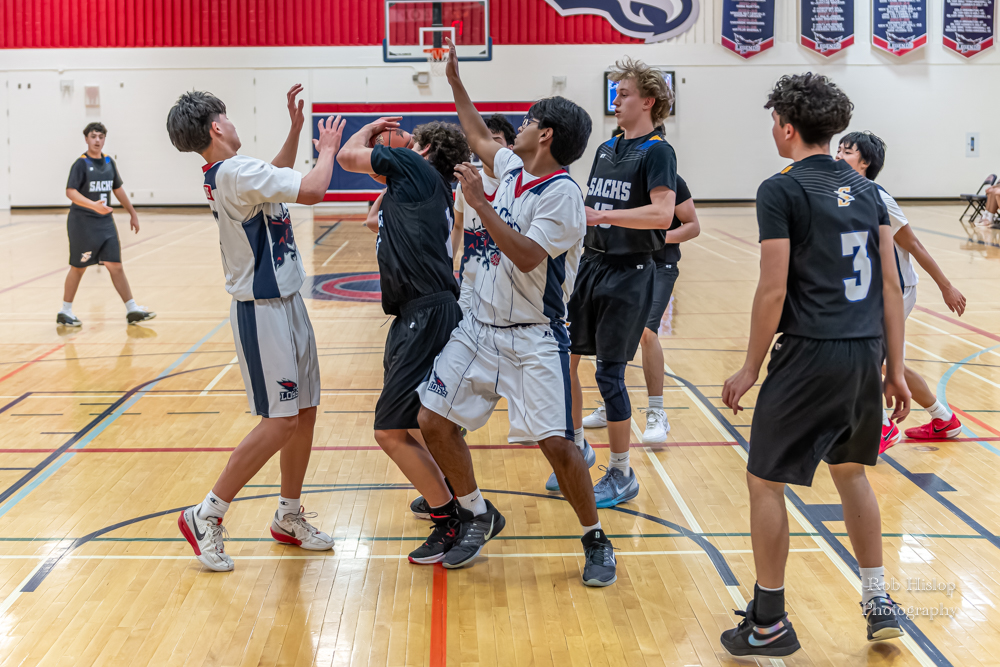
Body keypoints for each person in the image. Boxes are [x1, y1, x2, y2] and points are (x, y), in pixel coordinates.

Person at [415, 39, 617, 586]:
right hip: (479, 328)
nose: (516, 128)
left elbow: (527, 255)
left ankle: (595, 538)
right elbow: (479, 134)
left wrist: (481, 205)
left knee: (558, 446)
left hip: (534, 337)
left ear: (545, 135)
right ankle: (477, 513)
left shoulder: (563, 195)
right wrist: (455, 82)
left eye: (527, 121)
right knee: (432, 421)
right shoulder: (510, 167)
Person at [720, 73, 909, 656]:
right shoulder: (869, 192)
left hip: (810, 352)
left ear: (786, 127)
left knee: (764, 480)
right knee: (851, 472)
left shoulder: (781, 189)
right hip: (865, 351)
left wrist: (751, 367)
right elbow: (892, 287)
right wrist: (896, 369)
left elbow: (772, 288)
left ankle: (769, 621)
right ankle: (878, 599)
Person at [166, 85, 344, 571]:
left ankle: (288, 515)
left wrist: (294, 131)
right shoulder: (236, 171)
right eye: (228, 116)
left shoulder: (231, 172)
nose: (233, 122)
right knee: (281, 420)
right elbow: (312, 190)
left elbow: (276, 176)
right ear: (216, 127)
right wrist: (328, 150)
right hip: (261, 310)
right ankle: (206, 513)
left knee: (304, 412)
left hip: (288, 302)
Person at [337, 118, 471, 564]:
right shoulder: (429, 185)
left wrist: (370, 128)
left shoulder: (416, 167)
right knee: (416, 421)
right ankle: (455, 497)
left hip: (425, 313)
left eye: (412, 143)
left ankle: (450, 519)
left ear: (425, 150)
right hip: (420, 312)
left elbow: (347, 157)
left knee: (389, 430)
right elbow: (377, 202)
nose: (403, 147)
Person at [569, 58, 677, 505]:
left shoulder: (658, 152)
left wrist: (604, 215)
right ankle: (577, 449)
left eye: (624, 93)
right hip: (591, 265)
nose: (616, 100)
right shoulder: (605, 148)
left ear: (648, 101)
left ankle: (621, 471)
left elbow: (663, 214)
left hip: (630, 271)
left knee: (609, 374)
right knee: (565, 360)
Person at [836, 131, 967, 447]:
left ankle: (883, 427)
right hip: (869, 291)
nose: (838, 155)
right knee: (883, 362)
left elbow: (914, 245)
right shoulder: (842, 194)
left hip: (897, 289)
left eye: (847, 151)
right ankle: (943, 420)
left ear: (865, 162)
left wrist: (946, 286)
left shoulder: (878, 198)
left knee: (866, 359)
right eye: (837, 149)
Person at [58, 122, 155, 327]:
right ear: (86, 139)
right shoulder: (81, 164)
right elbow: (70, 192)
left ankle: (132, 309)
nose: (97, 140)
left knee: (115, 265)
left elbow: (117, 189)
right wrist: (93, 205)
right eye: (93, 136)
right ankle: (65, 311)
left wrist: (132, 212)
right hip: (82, 224)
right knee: (78, 267)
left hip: (105, 223)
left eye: (101, 137)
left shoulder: (109, 162)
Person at [637, 173, 700, 442]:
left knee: (647, 332)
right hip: (623, 264)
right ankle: (610, 404)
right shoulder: (621, 174)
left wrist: (659, 239)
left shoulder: (672, 180)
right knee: (613, 335)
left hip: (661, 265)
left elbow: (693, 226)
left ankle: (656, 411)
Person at [451, 114, 516, 314]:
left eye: (495, 141)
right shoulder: (466, 182)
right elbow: (458, 226)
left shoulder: (518, 185)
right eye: (484, 141)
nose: (488, 147)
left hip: (509, 285)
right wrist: (447, 265)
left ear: (510, 149)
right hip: (471, 284)